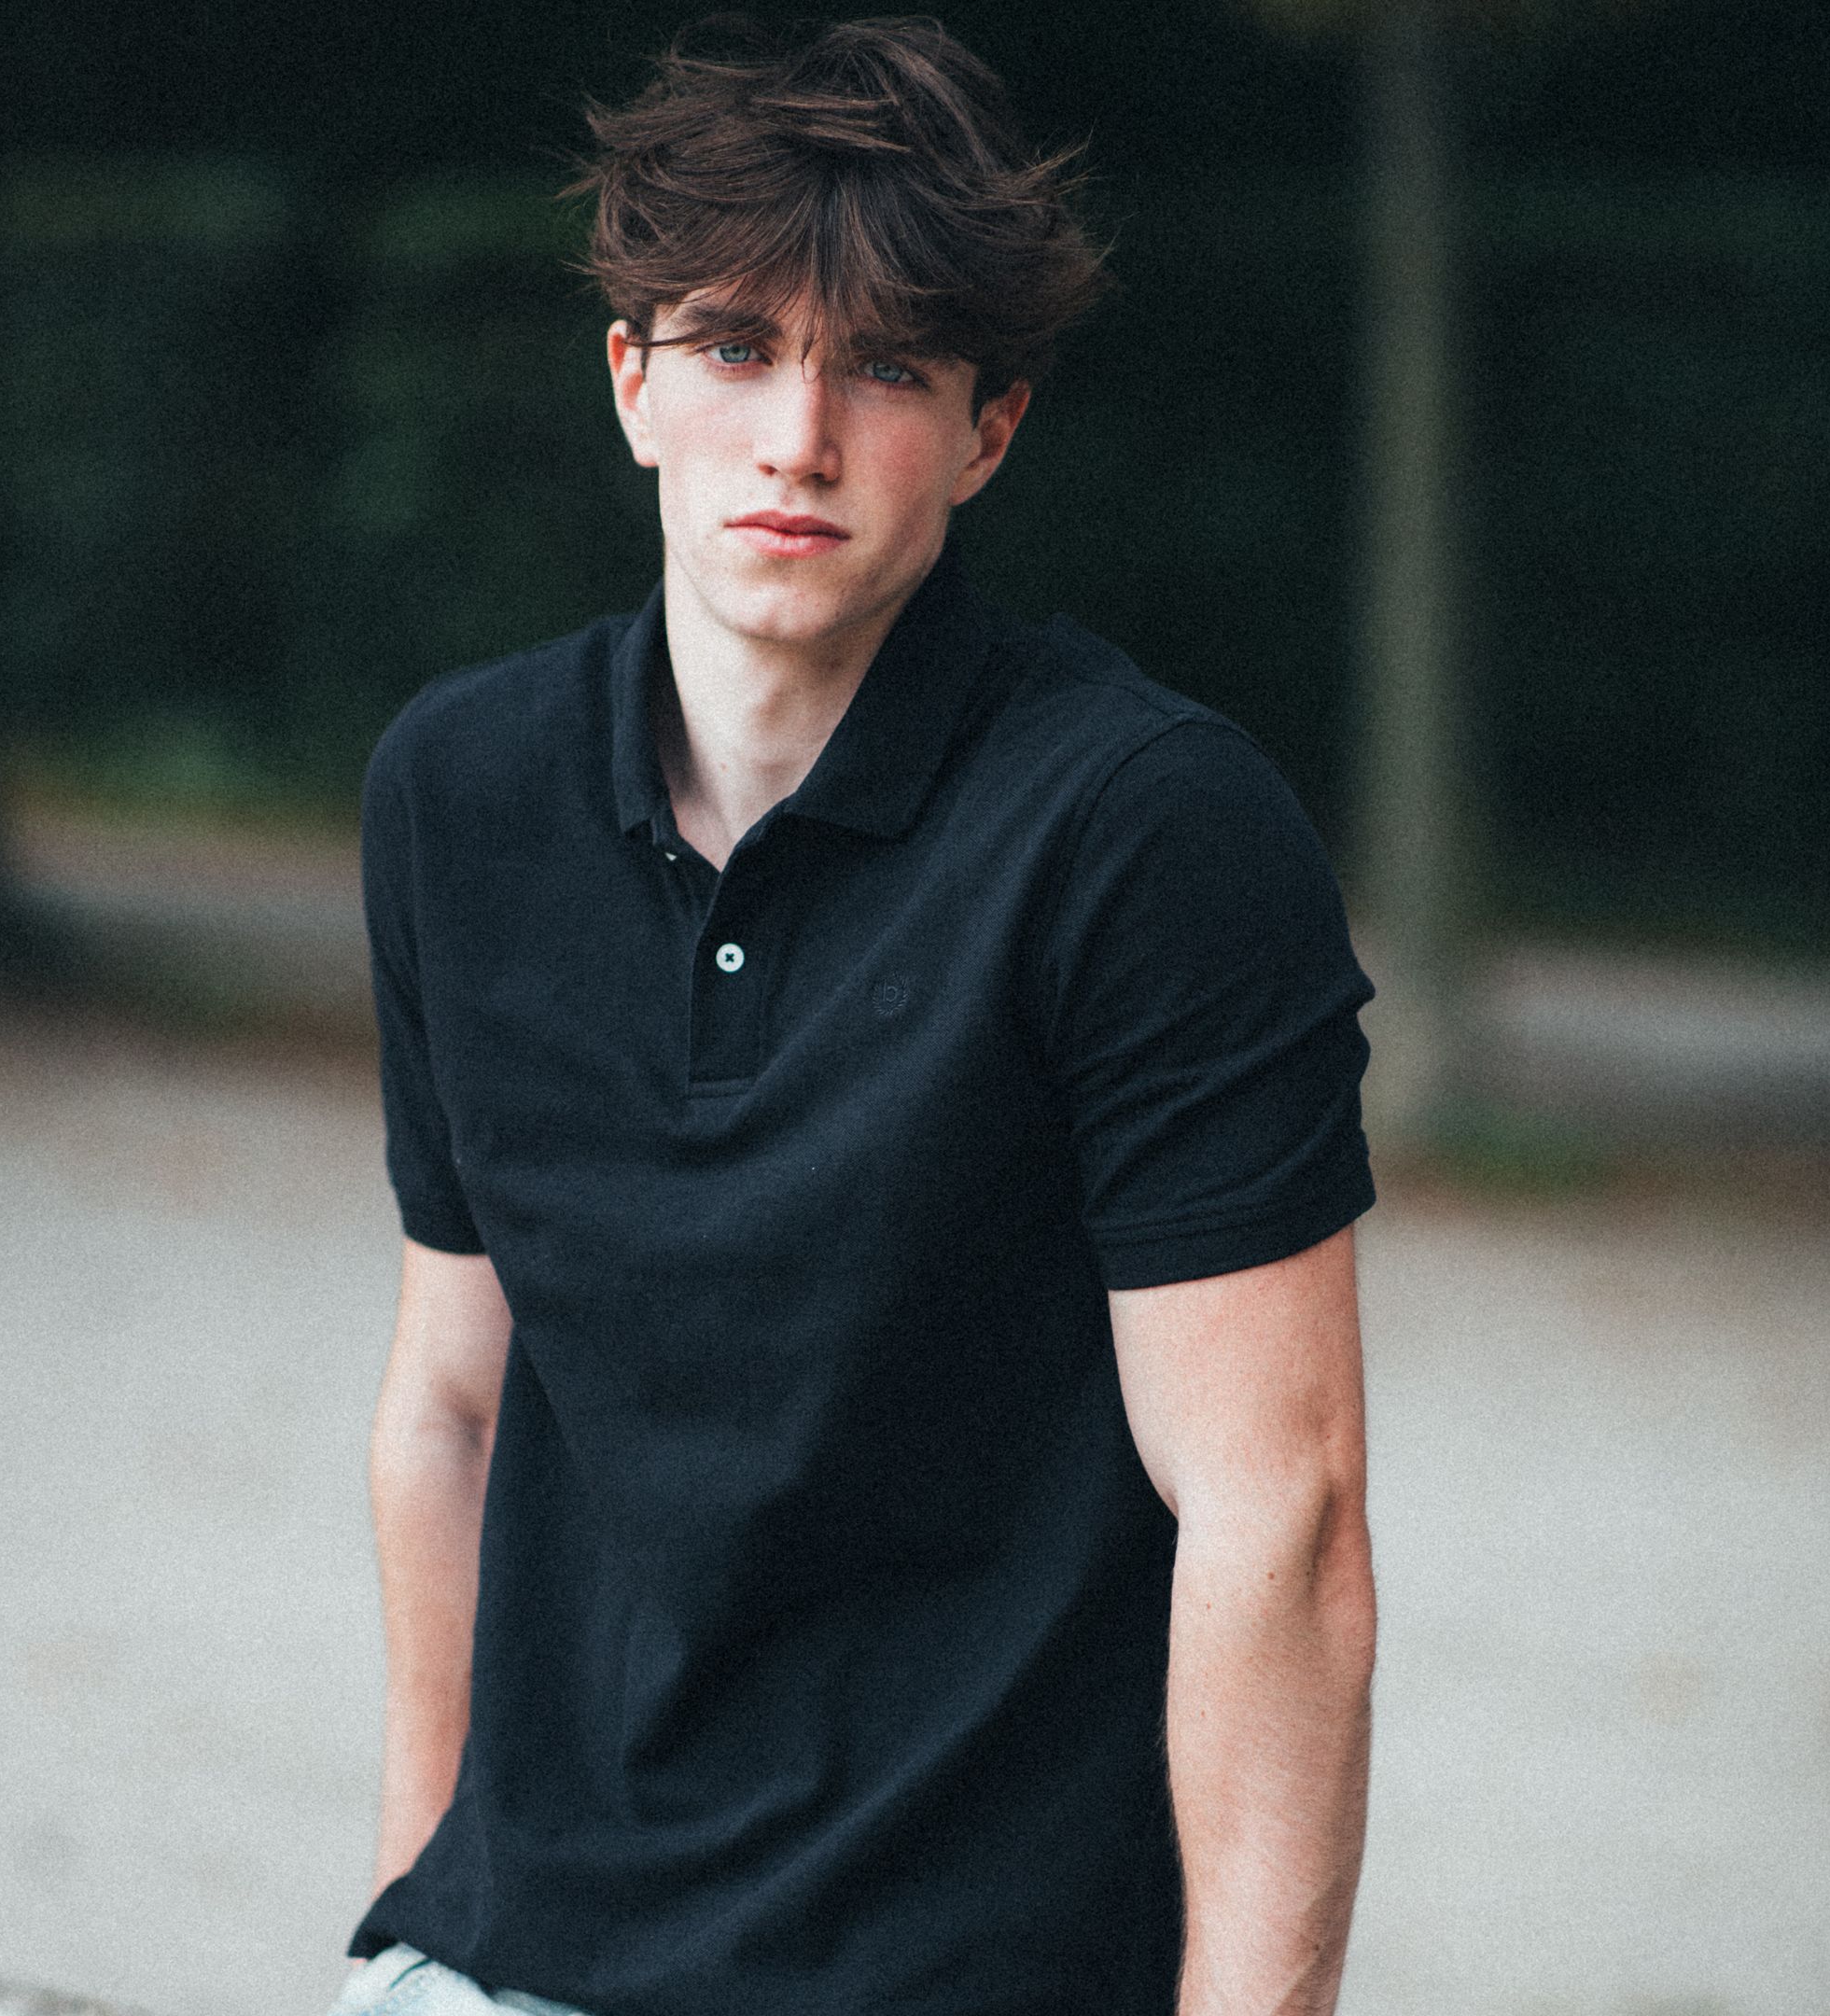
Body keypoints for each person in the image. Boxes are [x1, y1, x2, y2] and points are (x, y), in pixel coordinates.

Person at [338, 17, 1378, 2016]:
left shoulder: (1147, 835)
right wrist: (409, 1905)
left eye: (885, 365)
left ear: (988, 430)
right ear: (631, 383)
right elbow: (449, 1405)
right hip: (512, 1954)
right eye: (736, 348)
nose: (798, 437)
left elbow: (1279, 1514)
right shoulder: (456, 796)